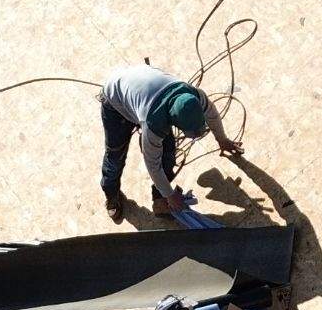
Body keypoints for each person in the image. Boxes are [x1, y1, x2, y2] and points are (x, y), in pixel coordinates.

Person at [99, 61, 237, 217]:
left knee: (168, 152)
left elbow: (211, 115)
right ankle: (111, 195)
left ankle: (160, 199)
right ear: (173, 119)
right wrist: (171, 195)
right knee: (115, 154)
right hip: (115, 100)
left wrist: (222, 139)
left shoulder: (194, 95)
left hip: (142, 95)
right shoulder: (154, 123)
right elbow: (153, 164)